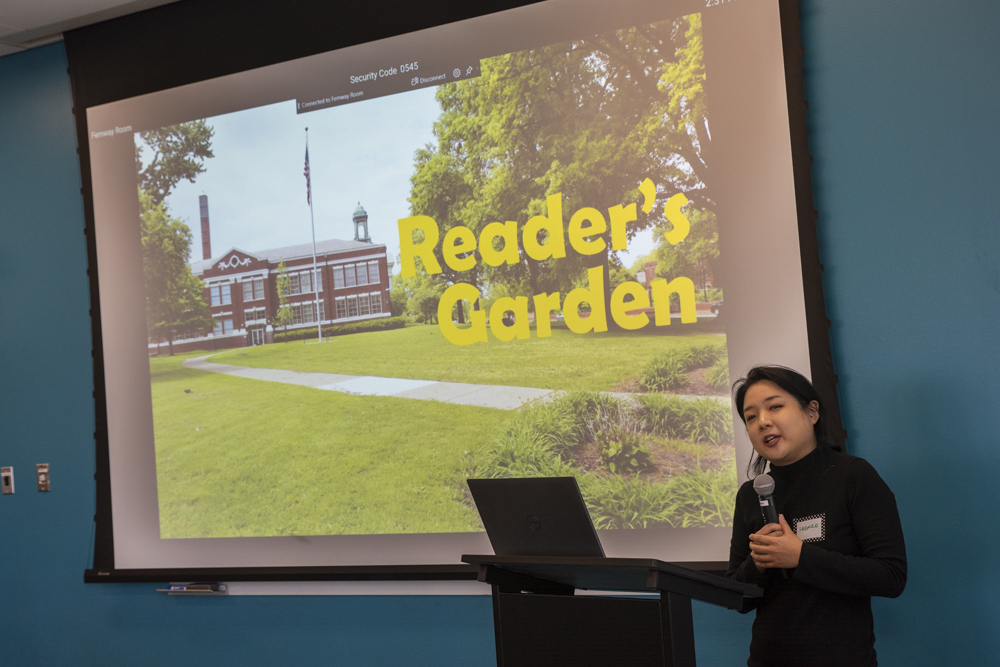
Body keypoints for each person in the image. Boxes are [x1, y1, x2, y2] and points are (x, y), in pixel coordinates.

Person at [726, 365, 906, 667]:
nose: (763, 422)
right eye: (751, 417)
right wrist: (757, 563)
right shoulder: (751, 494)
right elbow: (739, 599)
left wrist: (800, 556)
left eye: (775, 407)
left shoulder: (853, 476)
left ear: (811, 412)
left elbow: (891, 577)